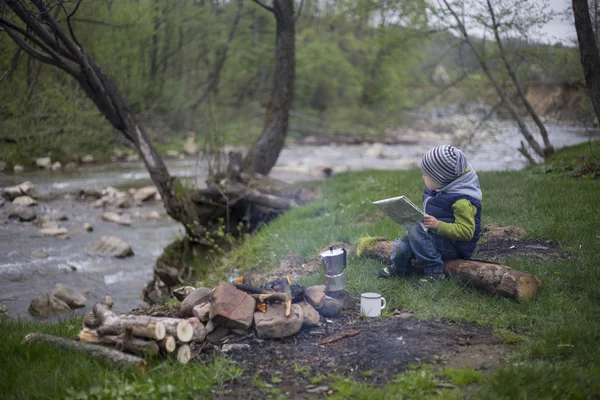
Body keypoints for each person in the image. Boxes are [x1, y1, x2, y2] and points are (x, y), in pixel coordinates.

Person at [377, 145, 482, 280]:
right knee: (401, 245)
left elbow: (467, 232)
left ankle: (434, 272)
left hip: (454, 247)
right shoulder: (440, 188)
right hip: (433, 238)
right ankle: (400, 268)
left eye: (427, 175)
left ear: (441, 179)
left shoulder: (462, 202)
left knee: (416, 228)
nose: (423, 177)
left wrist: (438, 225)